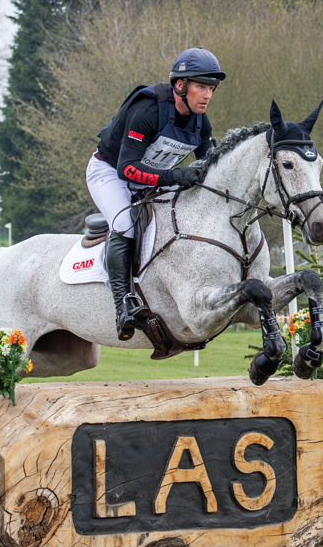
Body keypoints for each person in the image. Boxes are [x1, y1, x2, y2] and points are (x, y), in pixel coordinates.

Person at [87, 47, 225, 341]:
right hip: (110, 172)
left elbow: (210, 172)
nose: (207, 95)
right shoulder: (148, 110)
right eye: (201, 86)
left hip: (152, 178)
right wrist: (175, 176)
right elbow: (126, 170)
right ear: (180, 85)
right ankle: (123, 305)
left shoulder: (201, 122)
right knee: (124, 224)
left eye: (211, 88)